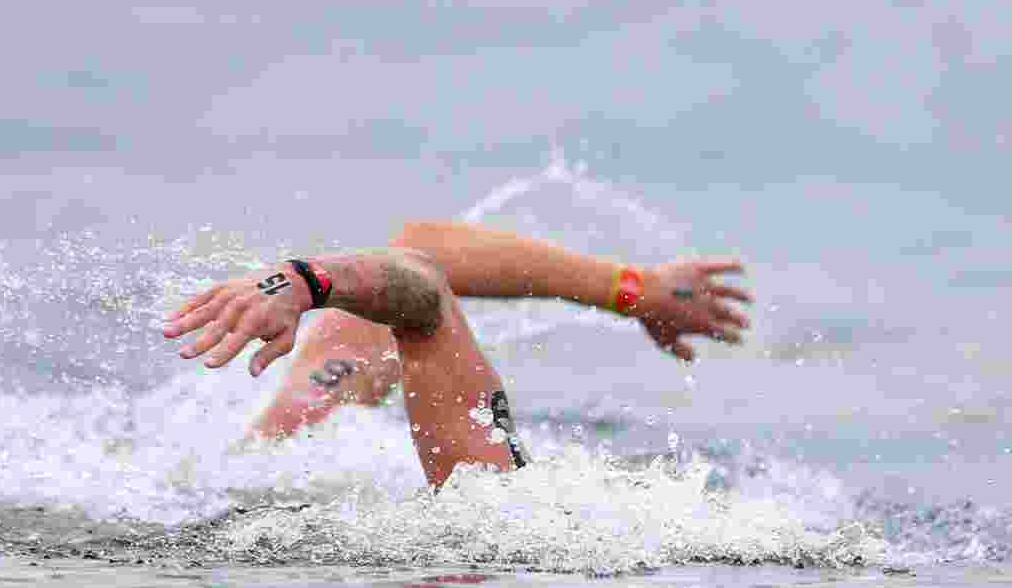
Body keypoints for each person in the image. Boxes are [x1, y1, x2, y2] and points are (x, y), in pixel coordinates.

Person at [162, 221, 751, 488]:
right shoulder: (494, 499)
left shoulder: (296, 442)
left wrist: (634, 290)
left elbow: (419, 260)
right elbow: (420, 268)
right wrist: (303, 281)